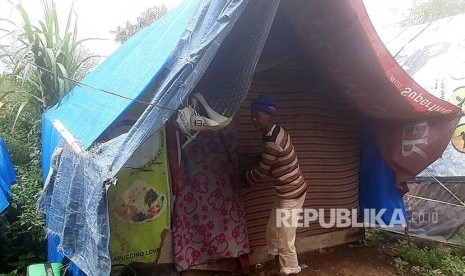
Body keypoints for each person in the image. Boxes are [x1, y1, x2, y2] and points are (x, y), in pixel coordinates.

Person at [243, 95, 307, 275]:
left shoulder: (272, 142)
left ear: (270, 116)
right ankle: (279, 263)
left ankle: (290, 269)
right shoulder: (275, 131)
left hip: (292, 194)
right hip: (286, 191)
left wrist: (241, 178)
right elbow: (269, 159)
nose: (254, 119)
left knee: (286, 239)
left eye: (258, 115)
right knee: (273, 229)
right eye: (252, 115)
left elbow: (260, 172)